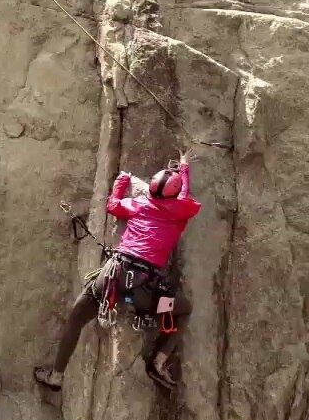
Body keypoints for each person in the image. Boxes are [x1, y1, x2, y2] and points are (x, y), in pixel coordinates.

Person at [34, 149, 202, 391]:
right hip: (148, 295)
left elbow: (113, 205)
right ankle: (159, 361)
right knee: (183, 309)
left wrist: (122, 181)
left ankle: (56, 375)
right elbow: (186, 197)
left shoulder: (139, 204)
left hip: (112, 279)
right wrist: (184, 169)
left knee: (78, 315)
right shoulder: (181, 209)